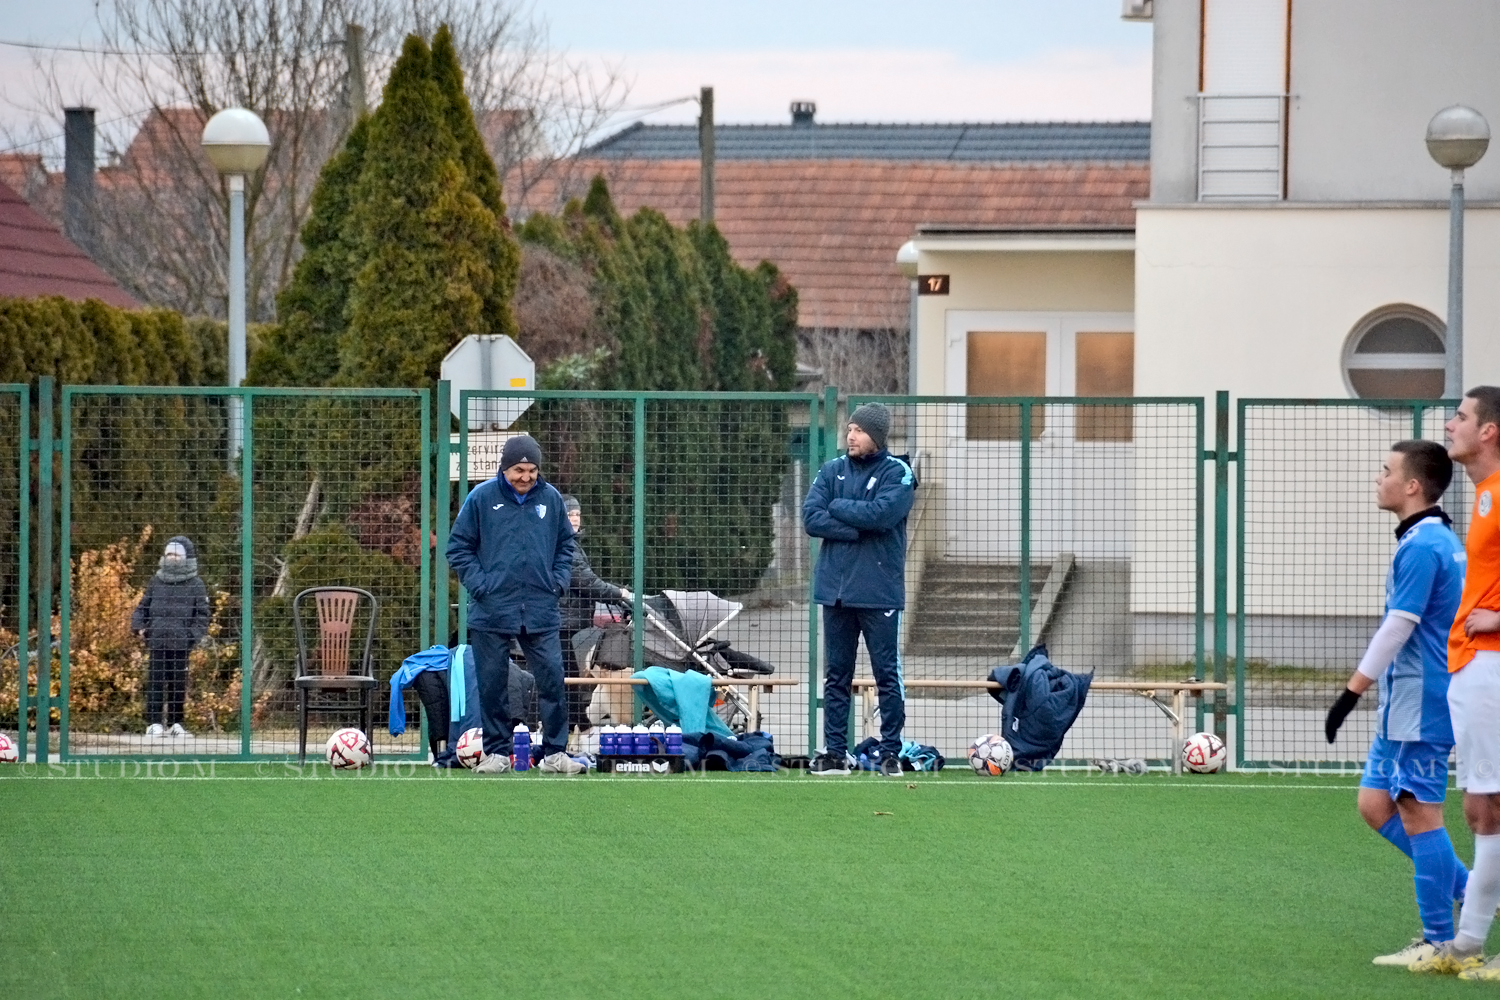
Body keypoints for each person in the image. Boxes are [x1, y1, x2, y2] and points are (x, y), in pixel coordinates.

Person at [1323, 440, 1468, 966]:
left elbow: (1399, 626)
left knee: (1418, 812)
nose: (1377, 479)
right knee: (1376, 804)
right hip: (1403, 702)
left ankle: (1440, 943)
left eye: (1386, 471)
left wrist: (1349, 692)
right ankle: (1475, 896)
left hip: (1422, 701)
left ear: (1411, 486)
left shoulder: (1425, 545)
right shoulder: (1433, 539)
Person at [1412, 387, 1500, 977]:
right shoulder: (1485, 496)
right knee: (1482, 809)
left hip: (1491, 663)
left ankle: (1466, 944)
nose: (1451, 423)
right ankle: (1466, 945)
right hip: (1475, 665)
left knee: (1485, 808)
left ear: (1490, 430)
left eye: (1462, 416)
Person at [446, 434, 581, 775]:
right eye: (519, 470)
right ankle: (497, 755)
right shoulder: (481, 498)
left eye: (532, 470)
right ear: (504, 468)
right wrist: (481, 585)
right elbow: (458, 547)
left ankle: (554, 755)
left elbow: (567, 546)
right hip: (491, 610)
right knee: (492, 685)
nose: (526, 477)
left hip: (541, 609)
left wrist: (557, 583)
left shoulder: (550, 500)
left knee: (552, 679)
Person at [802, 401, 915, 778]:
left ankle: (890, 754)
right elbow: (811, 518)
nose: (851, 436)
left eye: (859, 430)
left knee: (887, 674)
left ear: (877, 436)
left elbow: (883, 515)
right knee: (837, 675)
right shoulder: (832, 470)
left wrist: (839, 509)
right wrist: (856, 528)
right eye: (849, 428)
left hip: (879, 591)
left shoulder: (898, 472)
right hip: (835, 591)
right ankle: (836, 754)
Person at [559, 495, 632, 737]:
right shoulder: (565, 545)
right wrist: (618, 592)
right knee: (567, 677)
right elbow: (585, 582)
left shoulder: (569, 543)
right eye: (570, 515)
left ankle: (578, 727)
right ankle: (580, 728)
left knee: (568, 676)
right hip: (560, 620)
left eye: (577, 514)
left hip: (564, 620)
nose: (575, 519)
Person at [131, 535, 210, 739]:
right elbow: (142, 608)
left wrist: (190, 637)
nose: (171, 557)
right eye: (168, 554)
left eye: (175, 554)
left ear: (185, 557)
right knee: (155, 683)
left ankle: (177, 723)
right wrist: (139, 627)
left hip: (181, 644)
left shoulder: (196, 584)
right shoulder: (156, 581)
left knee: (178, 684)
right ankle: (154, 723)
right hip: (157, 641)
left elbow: (202, 616)